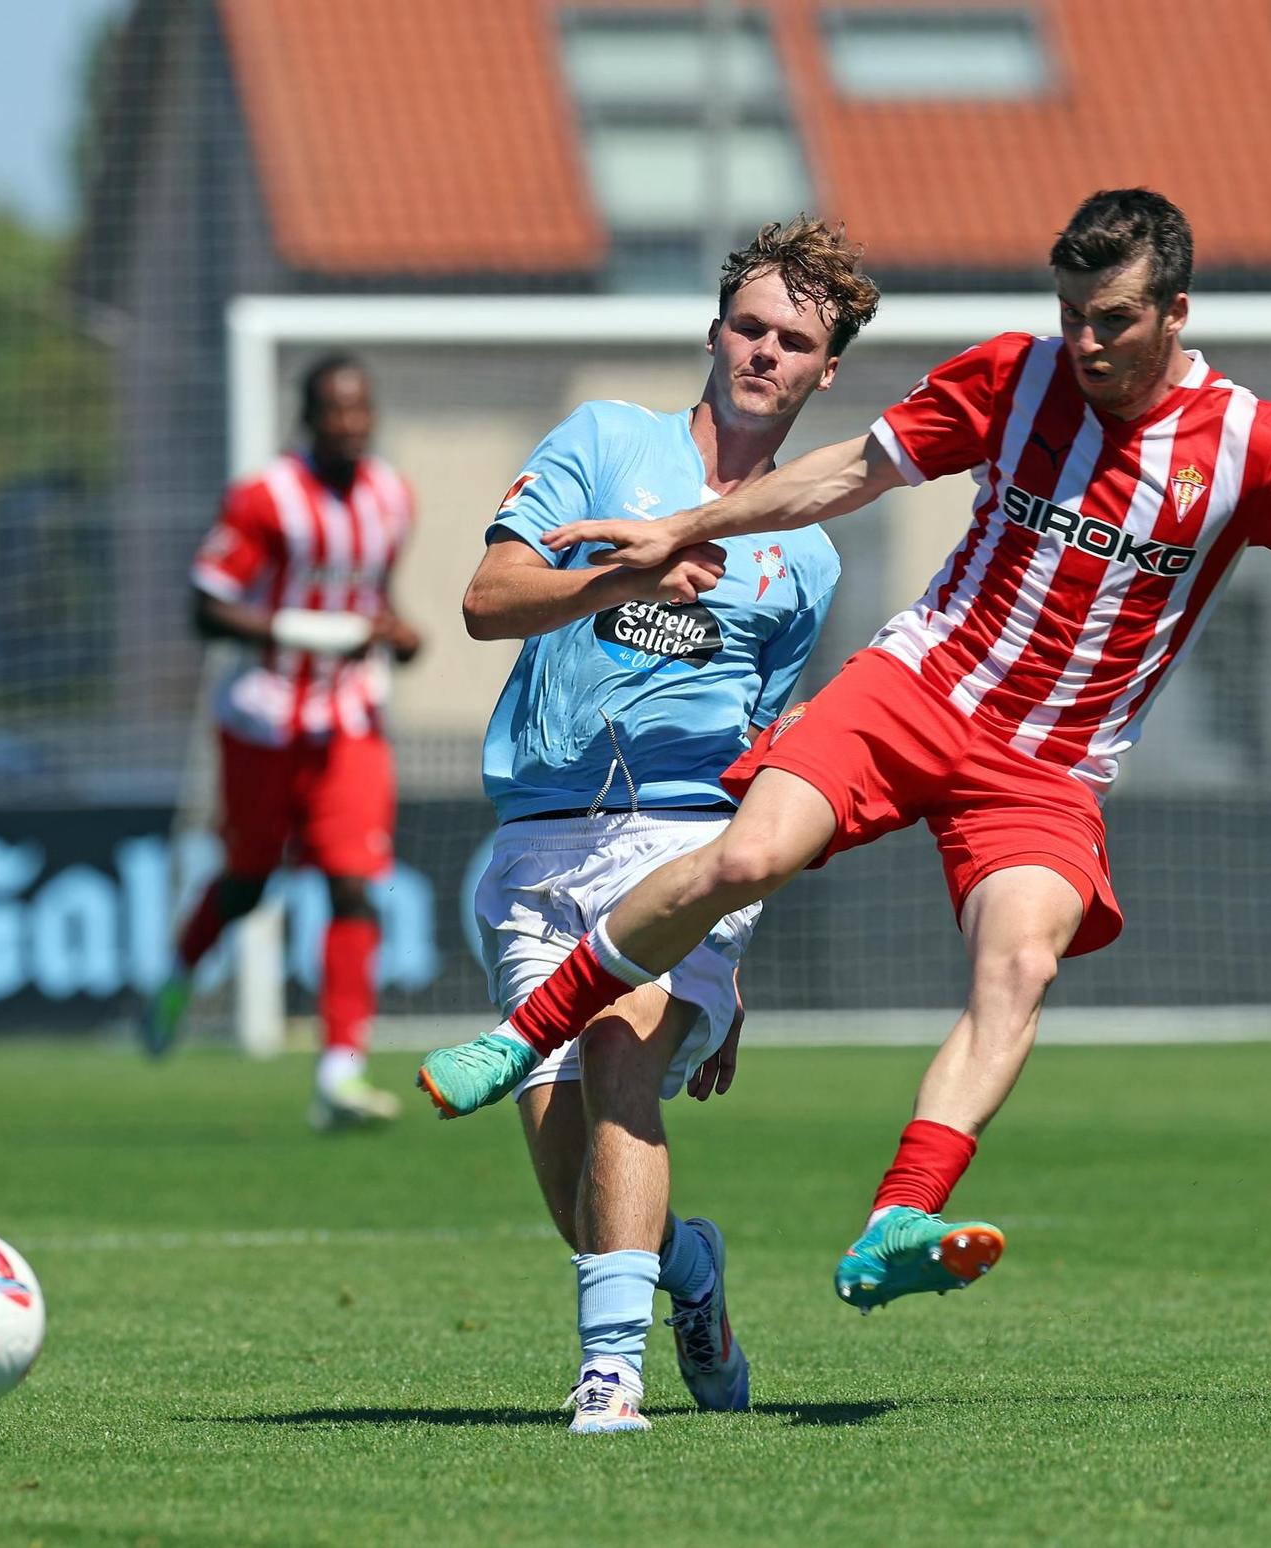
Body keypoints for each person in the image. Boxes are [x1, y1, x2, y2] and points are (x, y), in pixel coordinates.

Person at [417, 188, 1271, 1312]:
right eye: (1069, 314)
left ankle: (898, 1219)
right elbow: (847, 472)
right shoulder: (1013, 378)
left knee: (1021, 966)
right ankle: (530, 1035)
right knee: (748, 860)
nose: (1086, 342)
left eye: (1110, 318)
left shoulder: (1251, 447)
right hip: (917, 687)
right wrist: (677, 529)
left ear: (1174, 311)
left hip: (1047, 766)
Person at [445, 215, 876, 1433]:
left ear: (824, 370)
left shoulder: (807, 555)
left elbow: (768, 763)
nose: (763, 354)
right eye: (747, 326)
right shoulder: (601, 443)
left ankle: (608, 1381)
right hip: (539, 840)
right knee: (573, 1178)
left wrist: (740, 959)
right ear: (712, 329)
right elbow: (486, 603)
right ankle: (690, 1274)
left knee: (631, 1043)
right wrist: (631, 574)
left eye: (792, 342)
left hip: (684, 848)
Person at [146, 354, 422, 1131]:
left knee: (351, 881)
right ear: (308, 418)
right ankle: (177, 974)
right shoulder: (266, 497)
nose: (351, 424)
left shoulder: (393, 497)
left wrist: (394, 636)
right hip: (265, 719)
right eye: (336, 410)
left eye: (361, 409)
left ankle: (340, 1072)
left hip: (351, 719)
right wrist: (309, 631)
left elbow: (373, 603)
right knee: (248, 882)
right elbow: (206, 606)